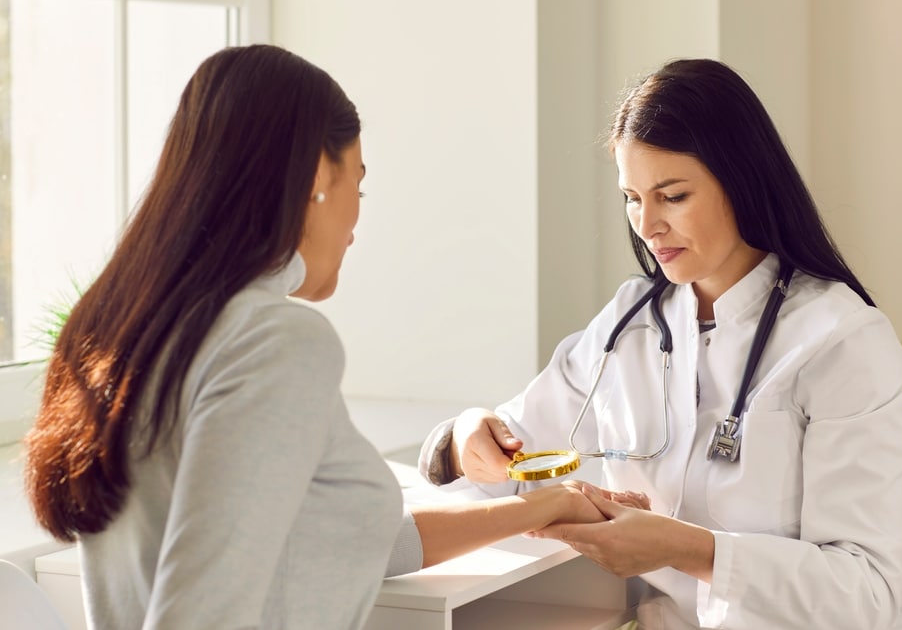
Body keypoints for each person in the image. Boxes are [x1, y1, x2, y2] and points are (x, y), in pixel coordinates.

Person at [22, 44, 645, 630]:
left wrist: (546, 506)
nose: (354, 222)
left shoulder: (123, 329)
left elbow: (351, 541)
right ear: (320, 174)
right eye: (359, 184)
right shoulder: (274, 341)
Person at [419, 58, 902, 629]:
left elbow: (869, 594)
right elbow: (515, 458)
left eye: (673, 195)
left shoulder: (840, 343)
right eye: (633, 198)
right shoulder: (629, 326)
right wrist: (466, 439)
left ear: (742, 180)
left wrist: (689, 550)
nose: (647, 225)